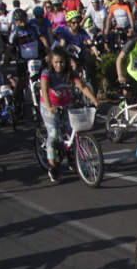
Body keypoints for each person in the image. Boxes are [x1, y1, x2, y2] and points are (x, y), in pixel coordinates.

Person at [39, 46, 100, 183]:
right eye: (55, 62)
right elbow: (43, 89)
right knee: (54, 134)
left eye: (61, 62)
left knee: (72, 131)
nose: (58, 65)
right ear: (51, 62)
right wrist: (49, 106)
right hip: (49, 106)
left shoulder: (70, 72)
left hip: (65, 105)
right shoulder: (47, 72)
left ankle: (72, 157)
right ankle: (52, 166)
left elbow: (82, 86)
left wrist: (94, 99)